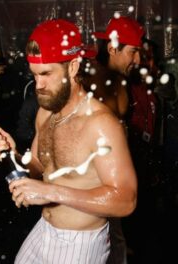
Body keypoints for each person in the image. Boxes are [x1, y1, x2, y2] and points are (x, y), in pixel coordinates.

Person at [0, 19, 137, 264]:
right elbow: (37, 166)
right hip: (44, 227)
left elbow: (126, 200)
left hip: (80, 242)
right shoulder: (46, 113)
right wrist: (10, 153)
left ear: (73, 67)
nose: (39, 84)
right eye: (34, 74)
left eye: (46, 74)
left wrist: (51, 192)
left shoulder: (100, 124)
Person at [92, 16, 144, 264]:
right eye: (133, 52)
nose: (138, 61)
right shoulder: (106, 82)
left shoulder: (103, 77)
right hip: (101, 184)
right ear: (113, 48)